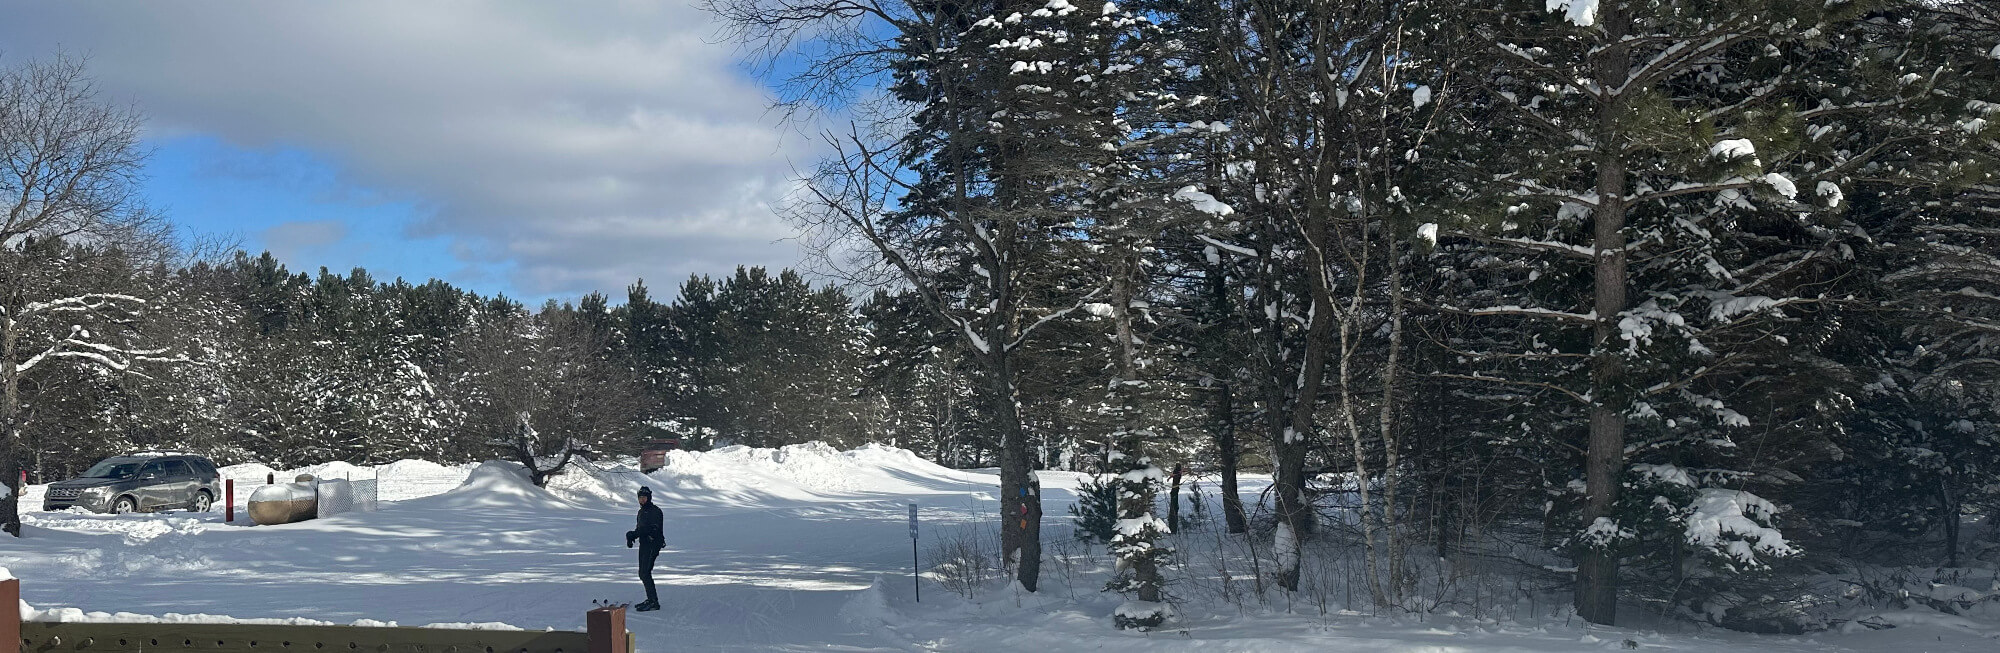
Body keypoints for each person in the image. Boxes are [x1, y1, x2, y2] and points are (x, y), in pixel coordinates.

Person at [624, 486, 665, 611]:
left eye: (644, 498)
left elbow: (652, 529)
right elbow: (640, 529)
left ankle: (653, 602)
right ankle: (651, 599)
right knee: (642, 573)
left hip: (653, 544)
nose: (642, 500)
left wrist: (635, 534)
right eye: (640, 498)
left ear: (649, 498)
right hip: (644, 544)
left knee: (645, 572)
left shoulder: (655, 511)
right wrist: (631, 537)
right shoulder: (641, 512)